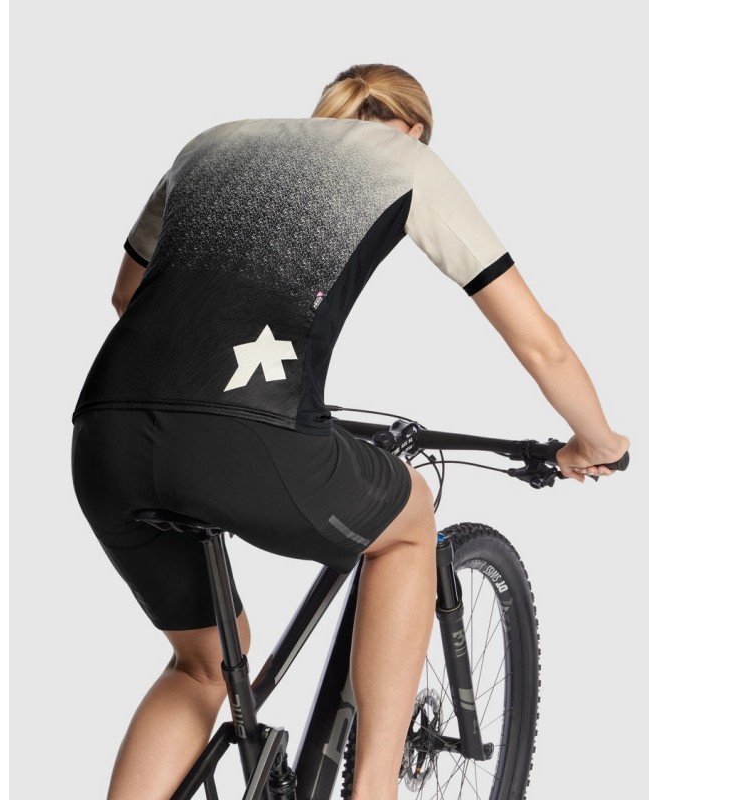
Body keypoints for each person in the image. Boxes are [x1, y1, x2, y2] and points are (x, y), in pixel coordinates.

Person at [70, 63, 629, 800]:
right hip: (250, 438)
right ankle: (374, 789)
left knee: (205, 665)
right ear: (414, 128)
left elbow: (126, 295)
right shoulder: (405, 160)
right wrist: (596, 441)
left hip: (103, 435)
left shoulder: (213, 142)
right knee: (408, 521)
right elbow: (540, 343)